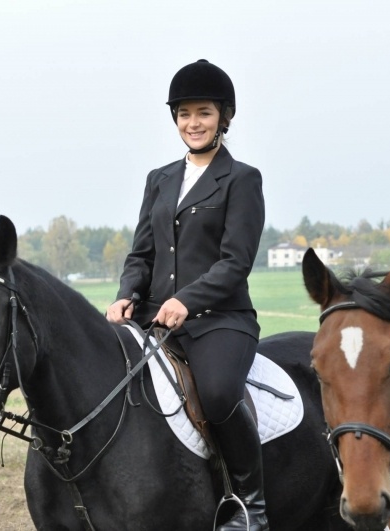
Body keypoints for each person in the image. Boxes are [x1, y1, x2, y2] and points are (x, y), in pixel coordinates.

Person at [105, 59, 268, 530]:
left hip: (220, 319)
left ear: (224, 117)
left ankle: (249, 505)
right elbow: (141, 254)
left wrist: (188, 301)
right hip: (155, 318)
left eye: (203, 113)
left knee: (217, 395)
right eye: (184, 115)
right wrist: (125, 296)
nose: (193, 124)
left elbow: (236, 262)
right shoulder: (159, 179)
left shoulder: (241, 179)